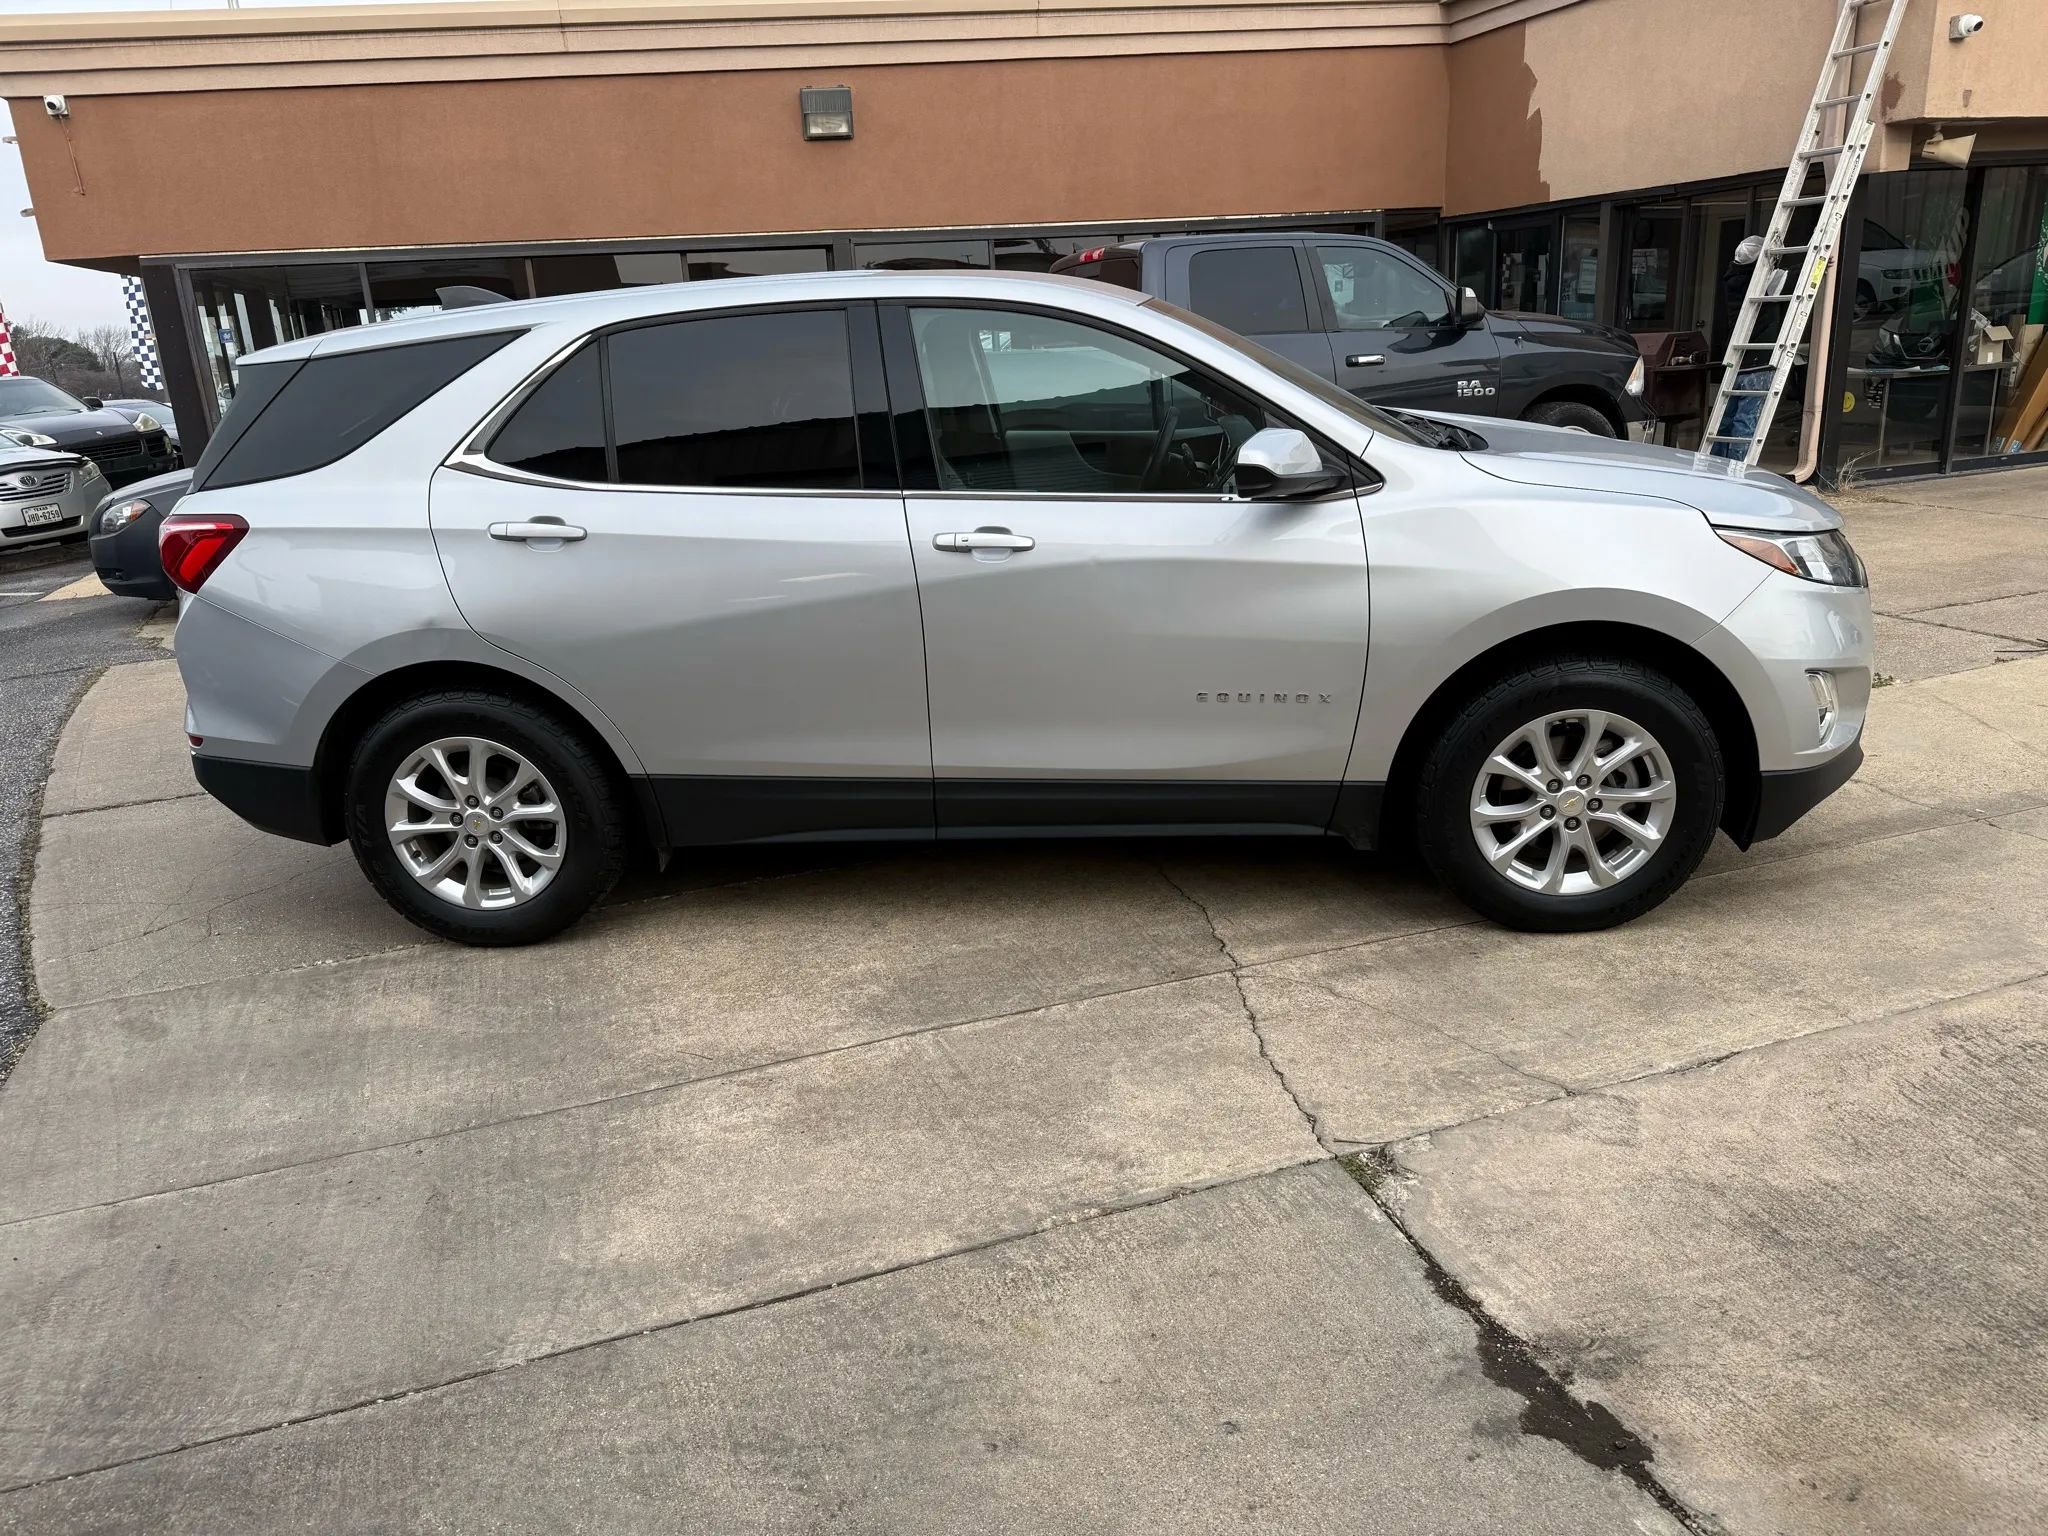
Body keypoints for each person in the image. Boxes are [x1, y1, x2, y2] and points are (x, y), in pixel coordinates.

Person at [1714, 234, 1782, 460]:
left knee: (1725, 421)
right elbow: (1794, 276)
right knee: (1746, 422)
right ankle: (1736, 470)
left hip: (1737, 358)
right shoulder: (1761, 281)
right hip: (1759, 362)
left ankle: (1715, 465)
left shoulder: (1732, 277)